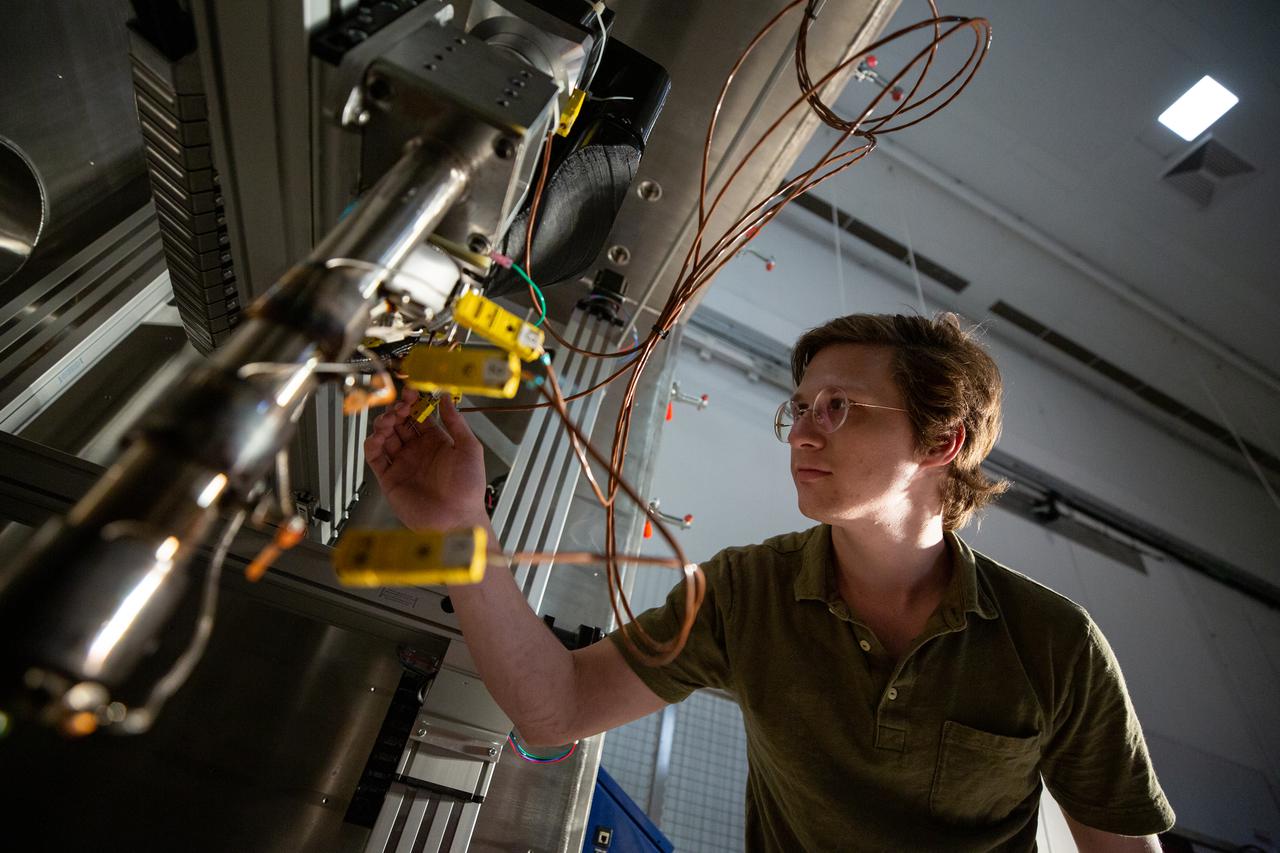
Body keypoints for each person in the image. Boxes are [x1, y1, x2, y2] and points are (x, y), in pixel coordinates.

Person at [365, 312, 1175, 852]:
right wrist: (458, 528)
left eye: (841, 407)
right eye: (800, 408)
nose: (802, 431)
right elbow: (558, 707)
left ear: (939, 442)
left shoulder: (1056, 644)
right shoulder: (746, 593)